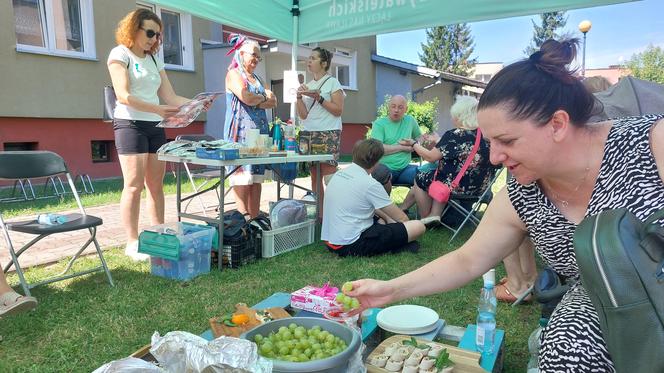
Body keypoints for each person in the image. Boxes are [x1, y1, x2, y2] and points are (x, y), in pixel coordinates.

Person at [346, 38, 664, 372]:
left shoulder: (650, 143)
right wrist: (389, 291)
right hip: (603, 298)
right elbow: (468, 259)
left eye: (508, 141)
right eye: (491, 141)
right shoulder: (524, 191)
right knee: (565, 349)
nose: (495, 157)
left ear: (557, 124)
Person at [108, 9, 211, 260]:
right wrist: (156, 108)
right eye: (150, 33)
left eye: (158, 35)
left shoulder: (154, 60)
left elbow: (171, 97)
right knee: (133, 186)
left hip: (155, 125)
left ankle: (158, 233)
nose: (155, 39)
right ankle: (132, 242)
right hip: (130, 123)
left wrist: (196, 104)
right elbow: (123, 95)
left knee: (156, 185)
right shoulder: (120, 54)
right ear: (134, 29)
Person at [321, 139, 425, 257]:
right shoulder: (370, 184)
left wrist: (388, 220)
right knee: (418, 226)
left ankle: (392, 239)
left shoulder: (339, 174)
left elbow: (371, 207)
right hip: (351, 244)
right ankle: (396, 243)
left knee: (381, 220)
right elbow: (402, 218)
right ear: (377, 162)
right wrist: (399, 228)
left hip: (331, 240)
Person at [400, 95, 497, 220]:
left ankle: (427, 217)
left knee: (420, 176)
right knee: (436, 175)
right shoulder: (486, 136)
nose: (452, 118)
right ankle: (405, 209)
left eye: (454, 115)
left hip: (454, 188)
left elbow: (430, 157)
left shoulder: (453, 135)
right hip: (480, 189)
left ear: (460, 116)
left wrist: (414, 144)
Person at [224, 35, 277, 218]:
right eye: (253, 55)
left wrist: (258, 99)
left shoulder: (257, 79)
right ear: (241, 53)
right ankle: (242, 221)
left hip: (259, 135)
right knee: (242, 178)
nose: (256, 59)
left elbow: (273, 101)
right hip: (240, 133)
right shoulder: (234, 74)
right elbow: (245, 97)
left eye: (258, 57)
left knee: (256, 179)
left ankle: (254, 221)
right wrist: (262, 98)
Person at [296, 47, 345, 213]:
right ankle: (320, 216)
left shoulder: (333, 82)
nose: (309, 61)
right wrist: (298, 97)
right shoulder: (307, 85)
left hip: (328, 132)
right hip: (309, 133)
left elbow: (338, 110)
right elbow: (303, 115)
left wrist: (319, 97)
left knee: (329, 176)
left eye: (313, 58)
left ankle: (336, 214)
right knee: (315, 177)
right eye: (308, 58)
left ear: (324, 63)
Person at [370, 95, 421, 186]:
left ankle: (407, 201)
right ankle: (385, 201)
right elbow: (378, 149)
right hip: (385, 167)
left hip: (406, 169)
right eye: (393, 106)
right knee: (380, 174)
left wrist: (417, 143)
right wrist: (403, 148)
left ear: (406, 109)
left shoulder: (410, 121)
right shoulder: (379, 124)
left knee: (425, 176)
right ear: (388, 107)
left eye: (400, 107)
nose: (396, 110)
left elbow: (419, 139)